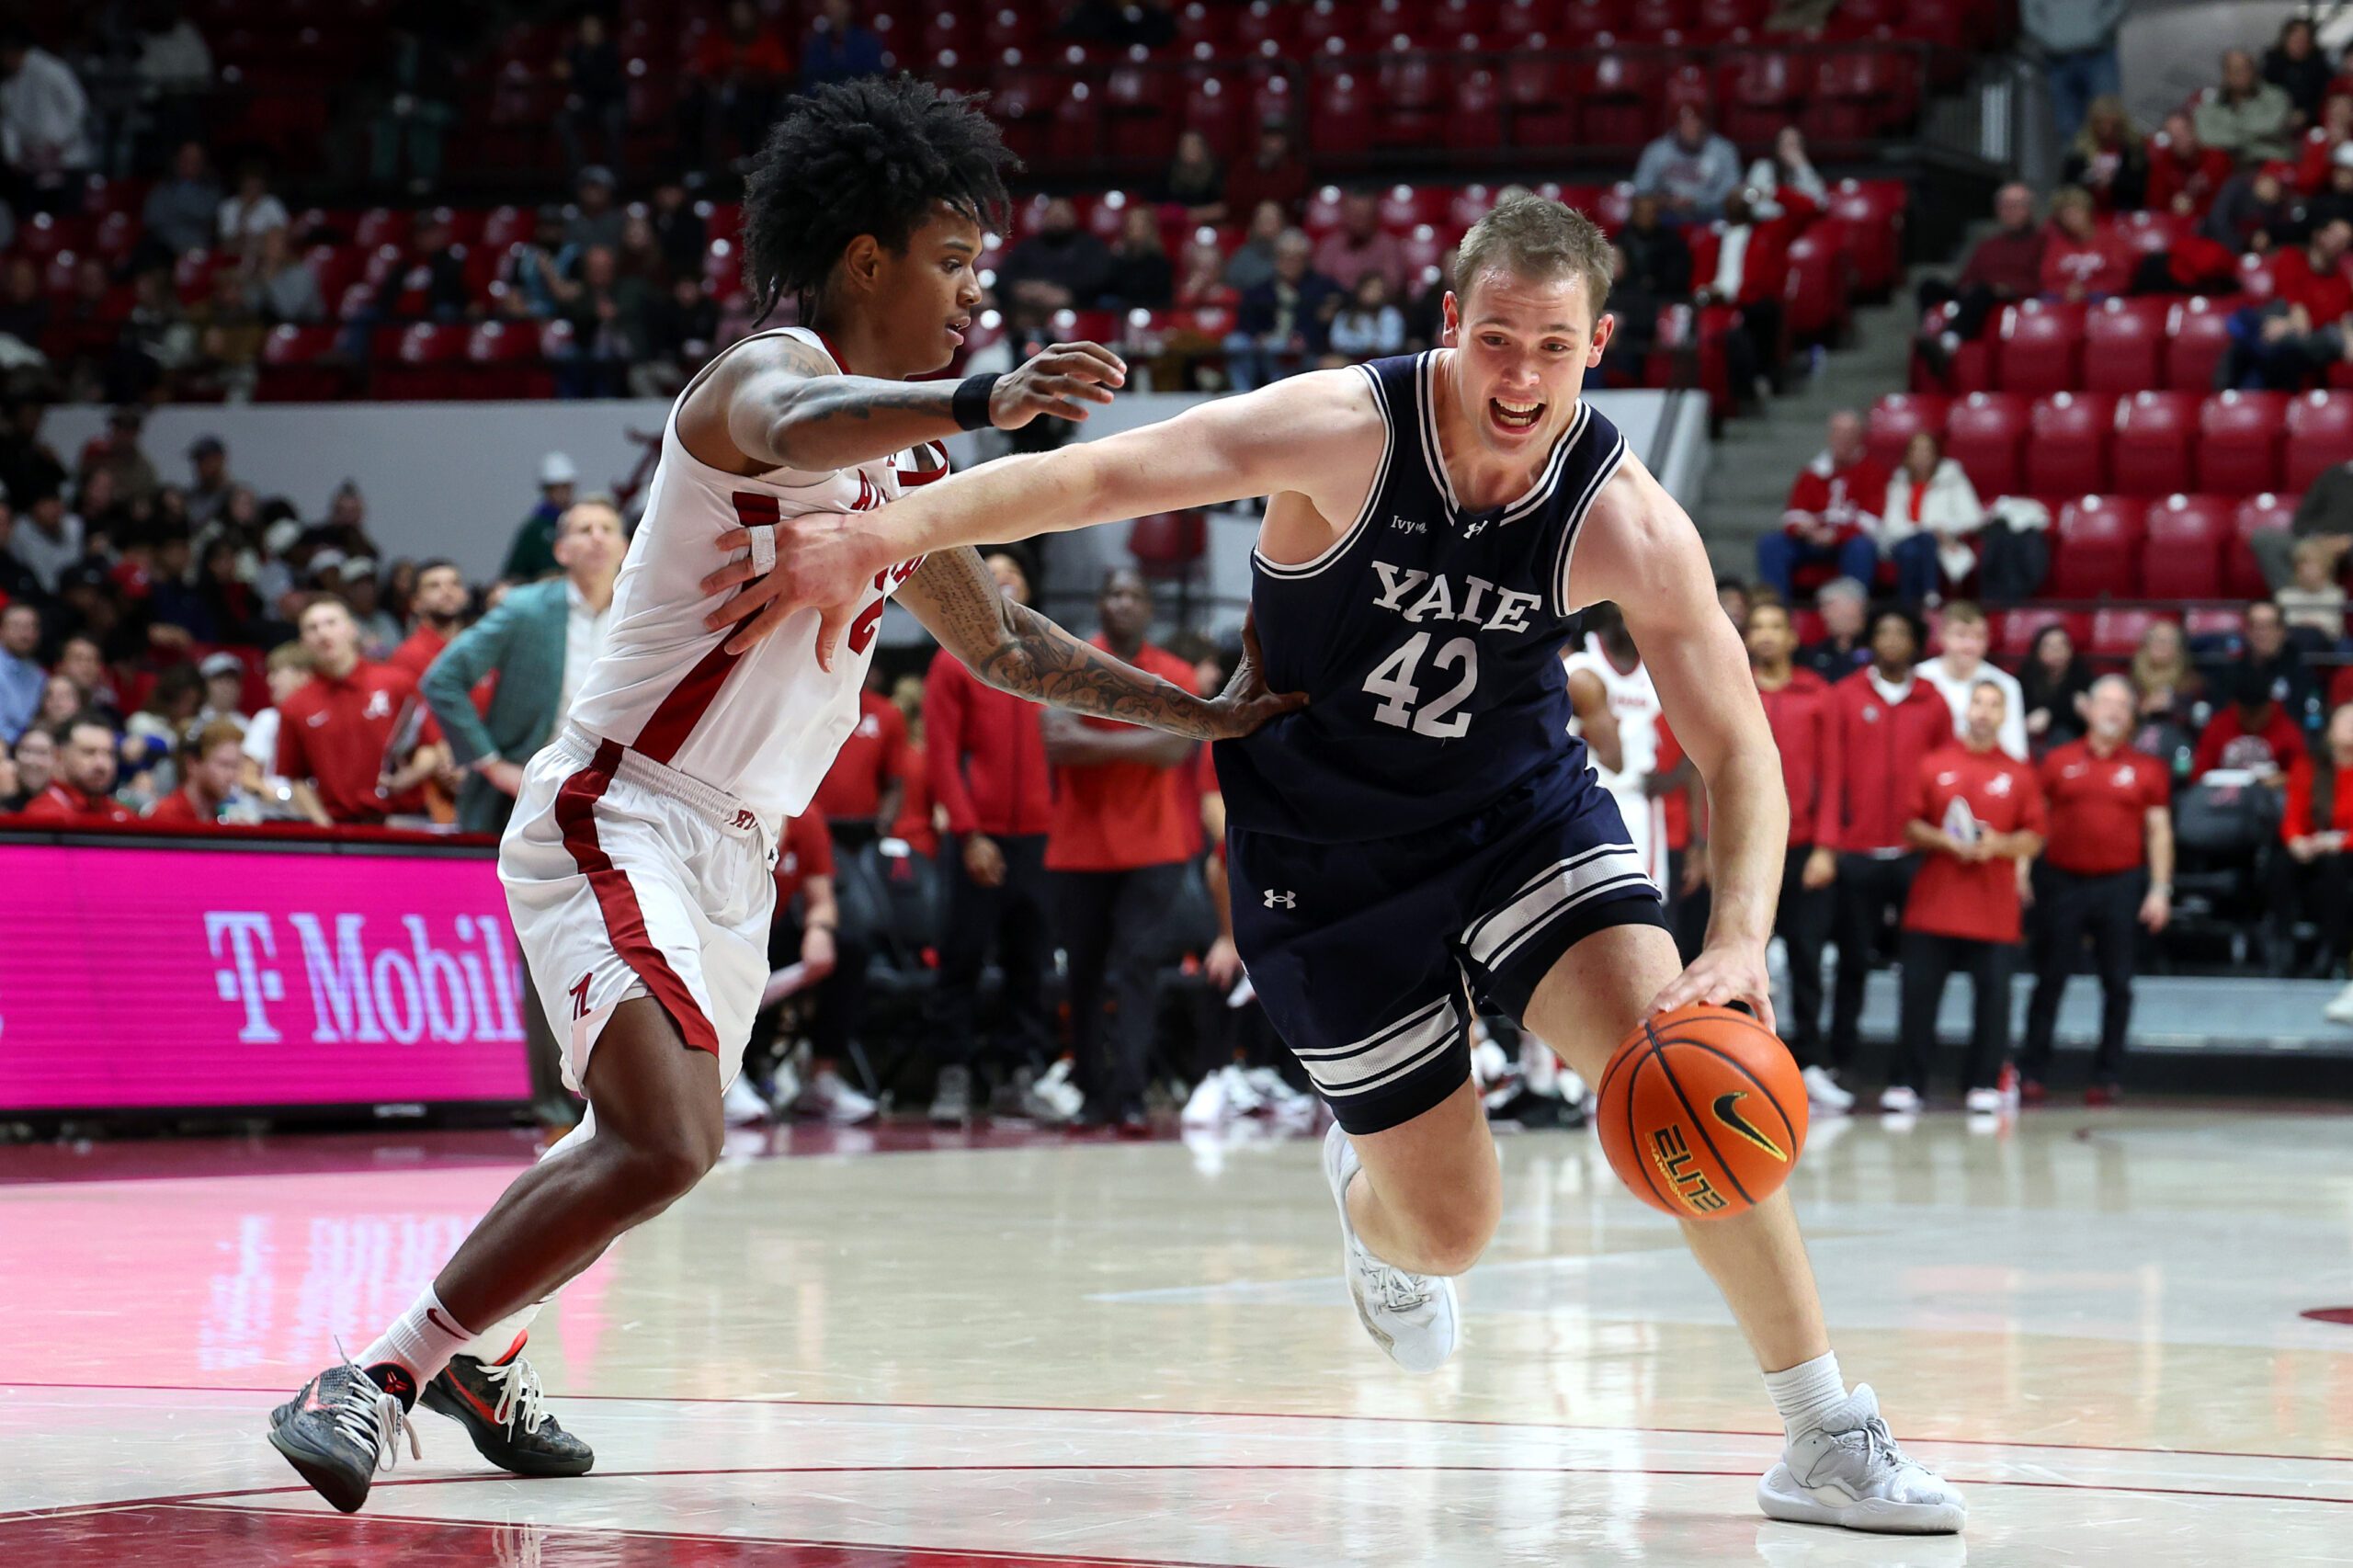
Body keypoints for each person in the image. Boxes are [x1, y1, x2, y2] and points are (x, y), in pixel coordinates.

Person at [731, 190, 1967, 1534]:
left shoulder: (1628, 521)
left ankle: (1824, 1431)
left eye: (1553, 348)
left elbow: (1743, 755)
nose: (1521, 376)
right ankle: (1370, 1203)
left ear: (1597, 343)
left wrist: (1738, 941)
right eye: (1497, 339)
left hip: (1519, 820)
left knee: (1685, 1073)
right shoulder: (1343, 428)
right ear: (1451, 323)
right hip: (1320, 856)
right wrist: (879, 535)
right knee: (1452, 1231)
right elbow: (1101, 473)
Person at [266, 76, 1295, 1517]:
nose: (971, 298)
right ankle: (370, 1377)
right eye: (952, 265)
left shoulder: (917, 470)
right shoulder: (755, 383)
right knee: (672, 1135)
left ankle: (486, 1351)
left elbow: (1002, 642)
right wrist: (979, 400)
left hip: (736, 856)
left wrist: (1196, 711)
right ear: (866, 258)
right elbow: (807, 418)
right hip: (619, 810)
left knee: (633, 1140)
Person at [1041, 567, 1199, 1130]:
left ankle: (1130, 1094)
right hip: (1079, 847)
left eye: (1134, 593)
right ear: (1101, 604)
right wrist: (1145, 739)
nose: (1123, 602)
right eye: (1113, 593)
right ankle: (1088, 1091)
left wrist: (1098, 740)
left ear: (1149, 608)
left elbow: (1176, 752)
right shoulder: (1069, 661)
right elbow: (1057, 744)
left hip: (1154, 847)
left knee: (1137, 969)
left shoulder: (1177, 672)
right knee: (1081, 974)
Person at [923, 547, 1063, 1122]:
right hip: (977, 837)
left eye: (1014, 576)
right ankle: (953, 1076)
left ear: (1028, 592)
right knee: (962, 956)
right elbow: (940, 755)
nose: (1005, 583)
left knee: (1031, 962)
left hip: (1039, 837)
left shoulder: (1047, 661)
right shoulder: (953, 661)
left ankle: (1019, 1077)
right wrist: (969, 832)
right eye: (992, 577)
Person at [422, 502, 625, 838]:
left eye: (607, 529)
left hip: (619, 796)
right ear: (561, 551)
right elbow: (442, 680)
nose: (597, 538)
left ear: (626, 547)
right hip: (527, 791)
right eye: (584, 530)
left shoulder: (645, 614)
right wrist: (491, 764)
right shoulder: (525, 608)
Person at [1889, 680, 2045, 1114]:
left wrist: (1998, 846)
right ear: (1967, 709)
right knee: (1919, 996)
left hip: (1993, 908)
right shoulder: (1935, 763)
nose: (1984, 711)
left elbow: (2033, 838)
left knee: (1994, 999)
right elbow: (1910, 825)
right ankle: (1907, 1081)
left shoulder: (2019, 773)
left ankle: (1982, 1082)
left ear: (2003, 716)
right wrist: (1946, 840)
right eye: (1978, 702)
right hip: (1934, 904)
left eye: (1994, 705)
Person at [1815, 608, 1953, 1087]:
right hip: (1859, 853)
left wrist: (1940, 840)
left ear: (1917, 642)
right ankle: (1841, 1062)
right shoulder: (1845, 695)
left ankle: (1910, 1073)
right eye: (1883, 631)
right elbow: (1831, 775)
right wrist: (1830, 843)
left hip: (1916, 856)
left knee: (1919, 970)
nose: (1892, 639)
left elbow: (1945, 777)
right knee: (1853, 963)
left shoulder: (1933, 701)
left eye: (1901, 631)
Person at [2020, 675, 2172, 1104]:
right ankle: (2032, 1070)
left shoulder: (2148, 768)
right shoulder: (2056, 760)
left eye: (2122, 706)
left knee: (2118, 983)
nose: (2113, 712)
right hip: (2062, 880)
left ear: (2131, 717)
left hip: (2121, 883)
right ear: (2087, 708)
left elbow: (2159, 831)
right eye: (2106, 703)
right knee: (2050, 977)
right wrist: (2020, 871)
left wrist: (2160, 889)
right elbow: (2033, 820)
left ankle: (2107, 1075)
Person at [1745, 599, 1845, 1109]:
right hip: (1746, 845)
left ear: (1790, 638)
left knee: (1807, 957)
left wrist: (1826, 846)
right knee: (1740, 952)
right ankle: (1738, 1060)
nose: (1764, 635)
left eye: (1774, 626)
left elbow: (1833, 775)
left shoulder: (1818, 695)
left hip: (1803, 847)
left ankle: (1807, 1063)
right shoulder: (1734, 689)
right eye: (1756, 626)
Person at [274, 597, 446, 826]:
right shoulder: (295, 705)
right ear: (303, 641)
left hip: (404, 821)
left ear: (352, 630)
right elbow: (295, 777)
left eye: (331, 623)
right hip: (340, 829)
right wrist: (322, 825)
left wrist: (408, 777)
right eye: (312, 628)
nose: (323, 634)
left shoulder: (396, 682)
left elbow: (431, 747)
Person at [1562, 604, 1665, 888]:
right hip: (1595, 795)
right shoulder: (1584, 668)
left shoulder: (1655, 667)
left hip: (1630, 796)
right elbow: (1614, 759)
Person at [1914, 184, 2043, 375]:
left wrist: (2013, 288)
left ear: (2028, 209)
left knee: (1983, 292)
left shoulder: (2042, 242)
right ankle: (1931, 335)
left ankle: (1948, 343)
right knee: (1929, 286)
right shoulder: (1988, 244)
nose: (2009, 211)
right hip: (1977, 293)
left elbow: (2045, 280)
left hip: (2012, 297)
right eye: (2004, 206)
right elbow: (1967, 278)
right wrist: (1967, 288)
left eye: (2015, 205)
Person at [1757, 411, 1886, 602]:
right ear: (1830, 436)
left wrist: (1836, 535)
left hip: (1847, 543)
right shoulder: (1812, 472)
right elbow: (1792, 514)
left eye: (1849, 434)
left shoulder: (1873, 472)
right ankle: (1777, 610)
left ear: (1859, 437)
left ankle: (1852, 610)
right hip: (1811, 540)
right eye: (1838, 433)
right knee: (1771, 544)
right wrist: (1806, 530)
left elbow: (1871, 521)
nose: (1842, 439)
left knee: (1862, 547)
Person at [2279, 702, 2353, 1017]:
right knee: (2280, 865)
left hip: (2346, 852)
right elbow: (2292, 815)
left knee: (2336, 870)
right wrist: (2296, 841)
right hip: (2313, 846)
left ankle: (2330, 950)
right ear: (2330, 730)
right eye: (2346, 721)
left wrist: (2340, 842)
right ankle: (2281, 947)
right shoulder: (2309, 766)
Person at [1223, 228, 1343, 391]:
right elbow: (1245, 323)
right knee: (1234, 343)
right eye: (1284, 257)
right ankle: (1241, 393)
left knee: (1278, 346)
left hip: (1304, 353)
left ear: (1306, 260)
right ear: (1276, 259)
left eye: (1295, 258)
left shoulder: (1321, 288)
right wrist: (1257, 336)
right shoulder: (1259, 290)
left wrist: (1307, 334)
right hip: (1263, 351)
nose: (1289, 263)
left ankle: (1279, 391)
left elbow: (1342, 304)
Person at [1915, 602, 2028, 761]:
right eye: (1961, 635)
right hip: (1929, 774)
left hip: (1984, 777)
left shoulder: (2006, 685)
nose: (1970, 645)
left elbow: (2015, 751)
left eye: (1978, 636)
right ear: (1942, 635)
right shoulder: (1919, 678)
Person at [1878, 431, 1977, 605]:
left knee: (1916, 549)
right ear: (1907, 456)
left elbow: (1973, 517)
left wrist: (1943, 529)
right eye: (1916, 450)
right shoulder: (1898, 484)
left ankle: (1908, 604)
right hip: (1904, 540)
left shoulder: (1953, 479)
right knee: (1915, 544)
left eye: (1926, 450)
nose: (1921, 456)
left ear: (1936, 455)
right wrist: (1925, 529)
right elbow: (1891, 525)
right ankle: (1930, 593)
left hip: (1941, 541)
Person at [2025, 0, 2126, 147]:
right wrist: (2051, 40)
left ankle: (2114, 167)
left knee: (2109, 123)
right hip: (2058, 60)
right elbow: (2030, 15)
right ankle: (2080, 169)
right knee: (2068, 131)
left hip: (2099, 54)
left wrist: (2098, 29)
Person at [2192, 659, 2304, 783]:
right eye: (2248, 714)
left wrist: (2283, 778)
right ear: (2237, 707)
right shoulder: (2218, 726)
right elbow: (2199, 776)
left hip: (2272, 796)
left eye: (2258, 713)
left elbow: (2304, 774)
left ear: (2269, 706)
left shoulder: (2286, 728)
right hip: (2224, 796)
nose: (2254, 721)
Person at [17, 714, 135, 824]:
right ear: (59, 757)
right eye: (89, 752)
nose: (102, 764)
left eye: (109, 754)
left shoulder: (123, 816)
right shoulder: (41, 817)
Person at [1631, 104, 1740, 221]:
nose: (1691, 129)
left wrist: (1698, 202)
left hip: (1710, 213)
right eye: (1686, 125)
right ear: (1676, 126)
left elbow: (1731, 191)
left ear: (1704, 125)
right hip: (1667, 213)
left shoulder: (1724, 150)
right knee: (1644, 210)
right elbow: (1642, 188)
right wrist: (1666, 201)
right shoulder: (1657, 150)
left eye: (1695, 124)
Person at [2197, 49, 2297, 165]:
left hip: (2273, 163)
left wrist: (2232, 132)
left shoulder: (2276, 96)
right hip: (2234, 167)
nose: (2242, 75)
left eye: (2246, 69)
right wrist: (2252, 136)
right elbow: (2206, 137)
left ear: (2254, 71)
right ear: (2226, 75)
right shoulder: (2212, 106)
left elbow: (2273, 126)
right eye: (2236, 70)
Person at [144, 718, 247, 826]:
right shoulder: (166, 816)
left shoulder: (225, 820)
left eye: (235, 766)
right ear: (193, 764)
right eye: (224, 765)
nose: (231, 776)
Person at [1313, 190, 1406, 299]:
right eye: (1355, 215)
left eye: (1364, 216)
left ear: (1374, 216)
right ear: (1345, 214)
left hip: (1374, 309)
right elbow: (1319, 283)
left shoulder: (1388, 246)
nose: (1359, 222)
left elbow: (1392, 285)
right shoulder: (1330, 245)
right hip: (1338, 306)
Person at [387, 560, 469, 682]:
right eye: (434, 586)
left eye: (455, 584)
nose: (448, 592)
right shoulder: (407, 657)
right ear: (415, 602)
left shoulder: (479, 648)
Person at [2062, 96, 2148, 212]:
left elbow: (2140, 187)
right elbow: (2067, 187)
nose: (2106, 130)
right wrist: (2090, 181)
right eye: (2101, 124)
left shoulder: (2133, 150)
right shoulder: (2079, 153)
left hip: (2123, 210)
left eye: (2111, 125)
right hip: (2087, 212)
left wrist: (2113, 182)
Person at [504, 453, 580, 582]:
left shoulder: (581, 524)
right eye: (555, 488)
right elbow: (514, 574)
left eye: (566, 487)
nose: (562, 493)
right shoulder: (534, 529)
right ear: (546, 490)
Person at [2020, 622, 2096, 751]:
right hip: (2031, 738)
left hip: (2069, 740)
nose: (2057, 650)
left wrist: (2050, 714)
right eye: (2049, 646)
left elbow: (2077, 716)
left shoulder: (2082, 676)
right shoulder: (2025, 675)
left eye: (2062, 644)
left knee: (2062, 733)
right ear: (2038, 651)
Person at [2264, 17, 2333, 129]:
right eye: (2295, 39)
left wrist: (2307, 114)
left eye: (2303, 40)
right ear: (2285, 40)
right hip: (2276, 123)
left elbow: (2326, 98)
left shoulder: (2321, 68)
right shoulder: (2271, 66)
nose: (2299, 44)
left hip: (2313, 124)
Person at [1798, 576, 1870, 681]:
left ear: (1853, 607)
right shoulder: (1815, 654)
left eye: (1828, 605)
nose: (1823, 614)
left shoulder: (1877, 647)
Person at [2276, 537, 2348, 638]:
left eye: (2313, 565)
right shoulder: (2284, 595)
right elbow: (2283, 628)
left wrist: (2311, 626)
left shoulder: (2336, 594)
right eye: (2303, 564)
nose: (2308, 570)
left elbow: (2335, 630)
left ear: (2326, 568)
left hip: (2326, 646)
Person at [0, 600, 41, 743]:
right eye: (17, 626)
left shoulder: (38, 674)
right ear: (2, 630)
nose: (26, 634)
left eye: (31, 627)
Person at [1164, 129, 1225, 222]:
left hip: (1207, 226)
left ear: (1204, 148)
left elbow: (1221, 210)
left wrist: (1186, 214)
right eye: (1185, 145)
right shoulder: (1170, 171)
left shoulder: (1216, 172)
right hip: (1175, 226)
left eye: (1194, 145)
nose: (1189, 149)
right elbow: (1156, 206)